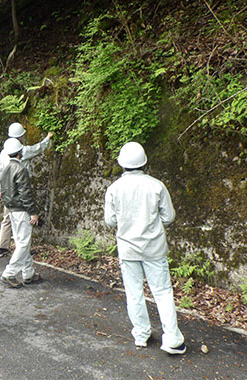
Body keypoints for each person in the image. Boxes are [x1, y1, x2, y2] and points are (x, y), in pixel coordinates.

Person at [104, 142, 186, 355]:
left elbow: (110, 221)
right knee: (162, 291)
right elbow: (169, 216)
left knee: (134, 293)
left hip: (128, 248)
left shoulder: (114, 189)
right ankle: (173, 339)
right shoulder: (157, 185)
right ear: (144, 161)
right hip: (154, 248)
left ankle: (141, 334)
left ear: (121, 163)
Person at [0, 122, 53, 258]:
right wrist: (47, 138)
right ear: (21, 136)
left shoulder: (4, 151)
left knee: (7, 218)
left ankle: (2, 247)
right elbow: (37, 148)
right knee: (24, 219)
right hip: (19, 189)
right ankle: (23, 250)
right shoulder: (22, 151)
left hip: (6, 190)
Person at [0, 138, 41, 288]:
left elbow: (4, 191)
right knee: (23, 243)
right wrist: (33, 212)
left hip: (11, 210)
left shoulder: (5, 169)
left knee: (21, 242)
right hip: (22, 210)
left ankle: (28, 273)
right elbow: (26, 194)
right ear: (20, 152)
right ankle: (9, 273)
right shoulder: (21, 169)